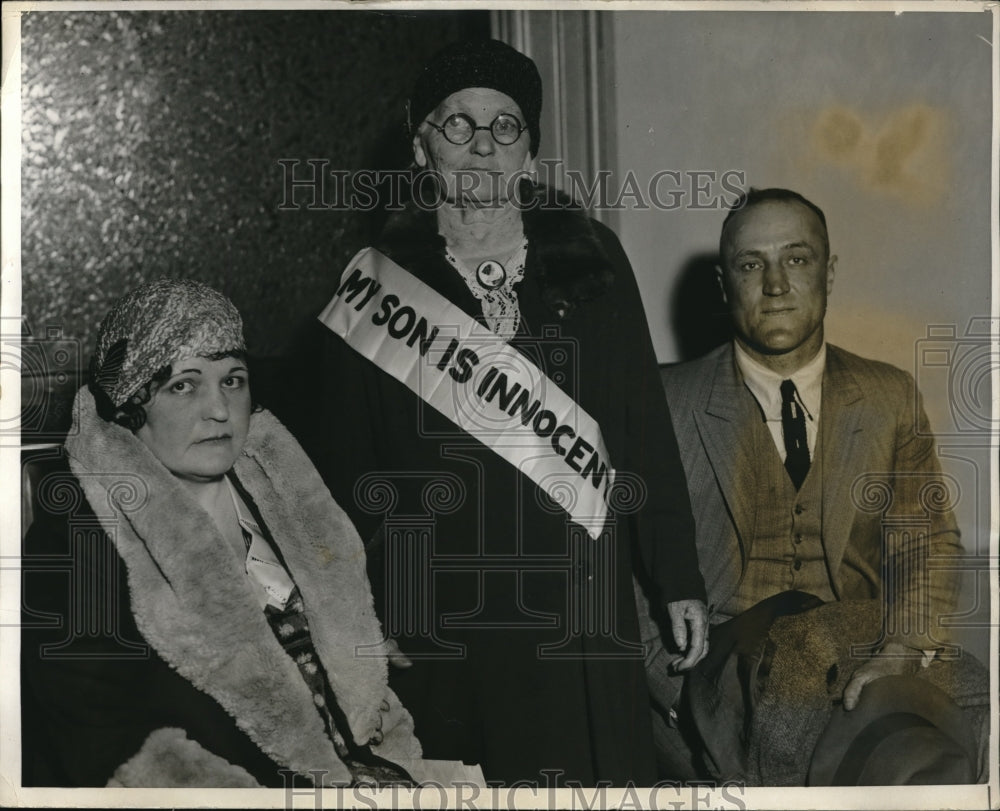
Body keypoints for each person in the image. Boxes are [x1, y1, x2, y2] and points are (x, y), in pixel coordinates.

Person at [290, 39, 709, 785]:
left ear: (529, 152)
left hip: (577, 605)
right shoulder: (375, 289)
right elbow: (347, 477)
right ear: (423, 148)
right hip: (446, 613)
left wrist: (677, 575)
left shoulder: (593, 261)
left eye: (505, 126)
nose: (482, 146)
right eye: (459, 125)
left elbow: (641, 426)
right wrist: (368, 607)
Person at [20, 279, 430, 787]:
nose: (219, 408)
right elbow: (99, 736)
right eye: (184, 385)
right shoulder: (77, 539)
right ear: (130, 407)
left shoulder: (286, 488)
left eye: (233, 380)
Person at [646, 188, 986, 784]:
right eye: (751, 265)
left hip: (856, 660)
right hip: (713, 688)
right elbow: (615, 564)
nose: (775, 284)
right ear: (725, 286)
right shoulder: (664, 402)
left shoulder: (889, 397)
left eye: (796, 259)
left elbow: (925, 543)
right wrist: (676, 699)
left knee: (958, 726)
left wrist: (902, 648)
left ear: (828, 273)